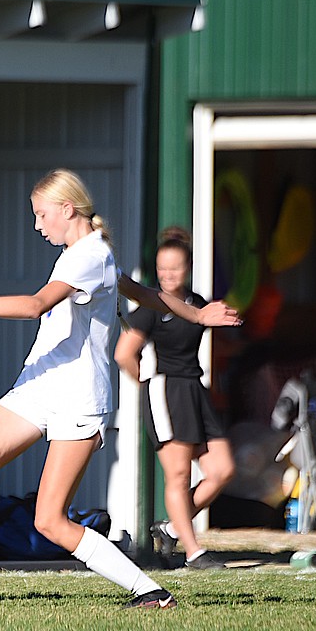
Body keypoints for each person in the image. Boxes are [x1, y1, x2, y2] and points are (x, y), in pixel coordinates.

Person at [0, 169, 241, 612]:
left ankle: (150, 592)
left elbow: (35, 305)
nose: (37, 225)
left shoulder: (88, 257)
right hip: (36, 386)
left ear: (66, 209)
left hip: (78, 401)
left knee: (50, 521)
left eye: (41, 215)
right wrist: (197, 315)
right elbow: (145, 294)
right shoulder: (89, 253)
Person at [115, 227, 237, 569]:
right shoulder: (151, 307)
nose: (168, 275)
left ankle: (170, 528)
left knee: (222, 469)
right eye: (162, 269)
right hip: (165, 391)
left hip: (195, 390)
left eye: (175, 268)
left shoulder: (197, 304)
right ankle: (194, 552)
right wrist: (143, 380)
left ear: (189, 268)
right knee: (179, 476)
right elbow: (124, 353)